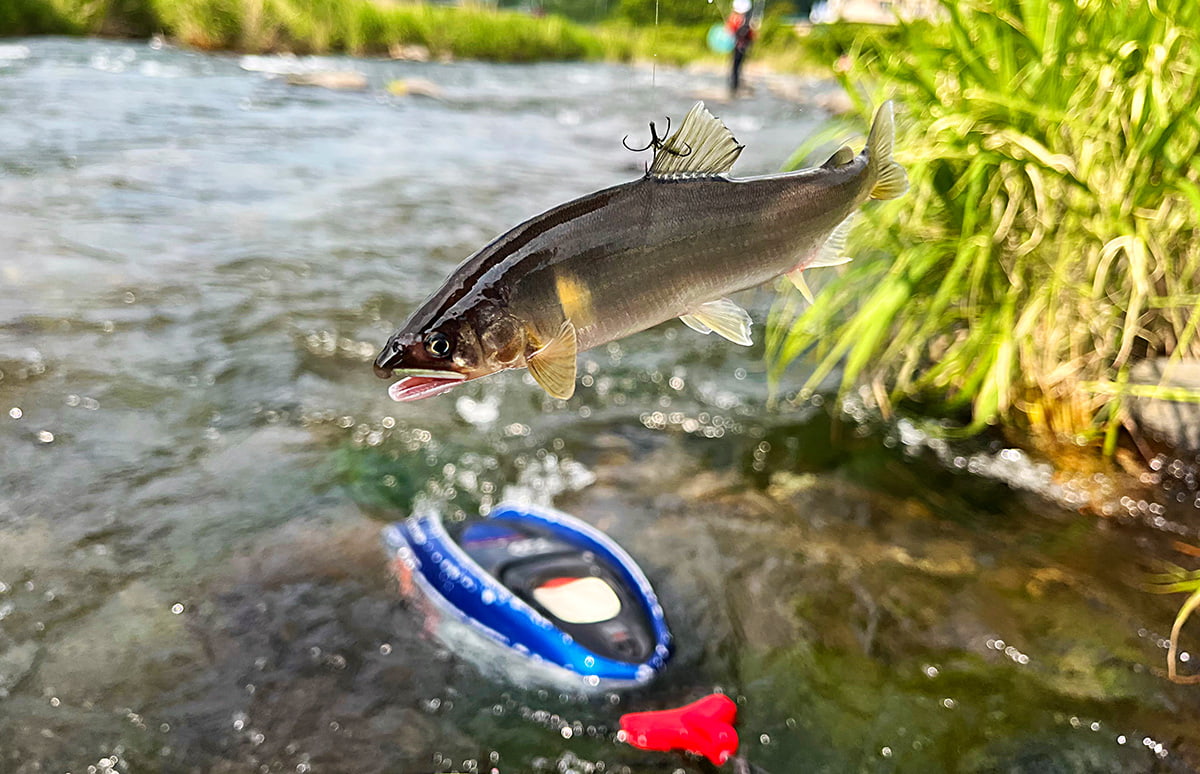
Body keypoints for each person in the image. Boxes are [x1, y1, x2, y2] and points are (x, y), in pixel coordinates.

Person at [725, 0, 756, 96]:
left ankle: (734, 87)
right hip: (739, 48)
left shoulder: (739, 21)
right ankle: (734, 86)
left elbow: (751, 36)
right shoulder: (742, 21)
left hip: (738, 48)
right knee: (736, 68)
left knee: (735, 68)